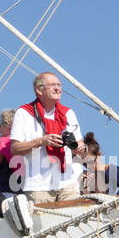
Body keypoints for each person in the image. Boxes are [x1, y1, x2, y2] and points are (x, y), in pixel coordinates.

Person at [9, 72, 85, 200]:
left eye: (59, 85)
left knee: (74, 218)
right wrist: (41, 141)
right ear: (39, 90)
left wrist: (81, 148)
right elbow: (15, 149)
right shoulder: (24, 113)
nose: (58, 89)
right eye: (53, 85)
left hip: (67, 182)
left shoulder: (68, 113)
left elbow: (81, 144)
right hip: (39, 186)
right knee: (41, 220)